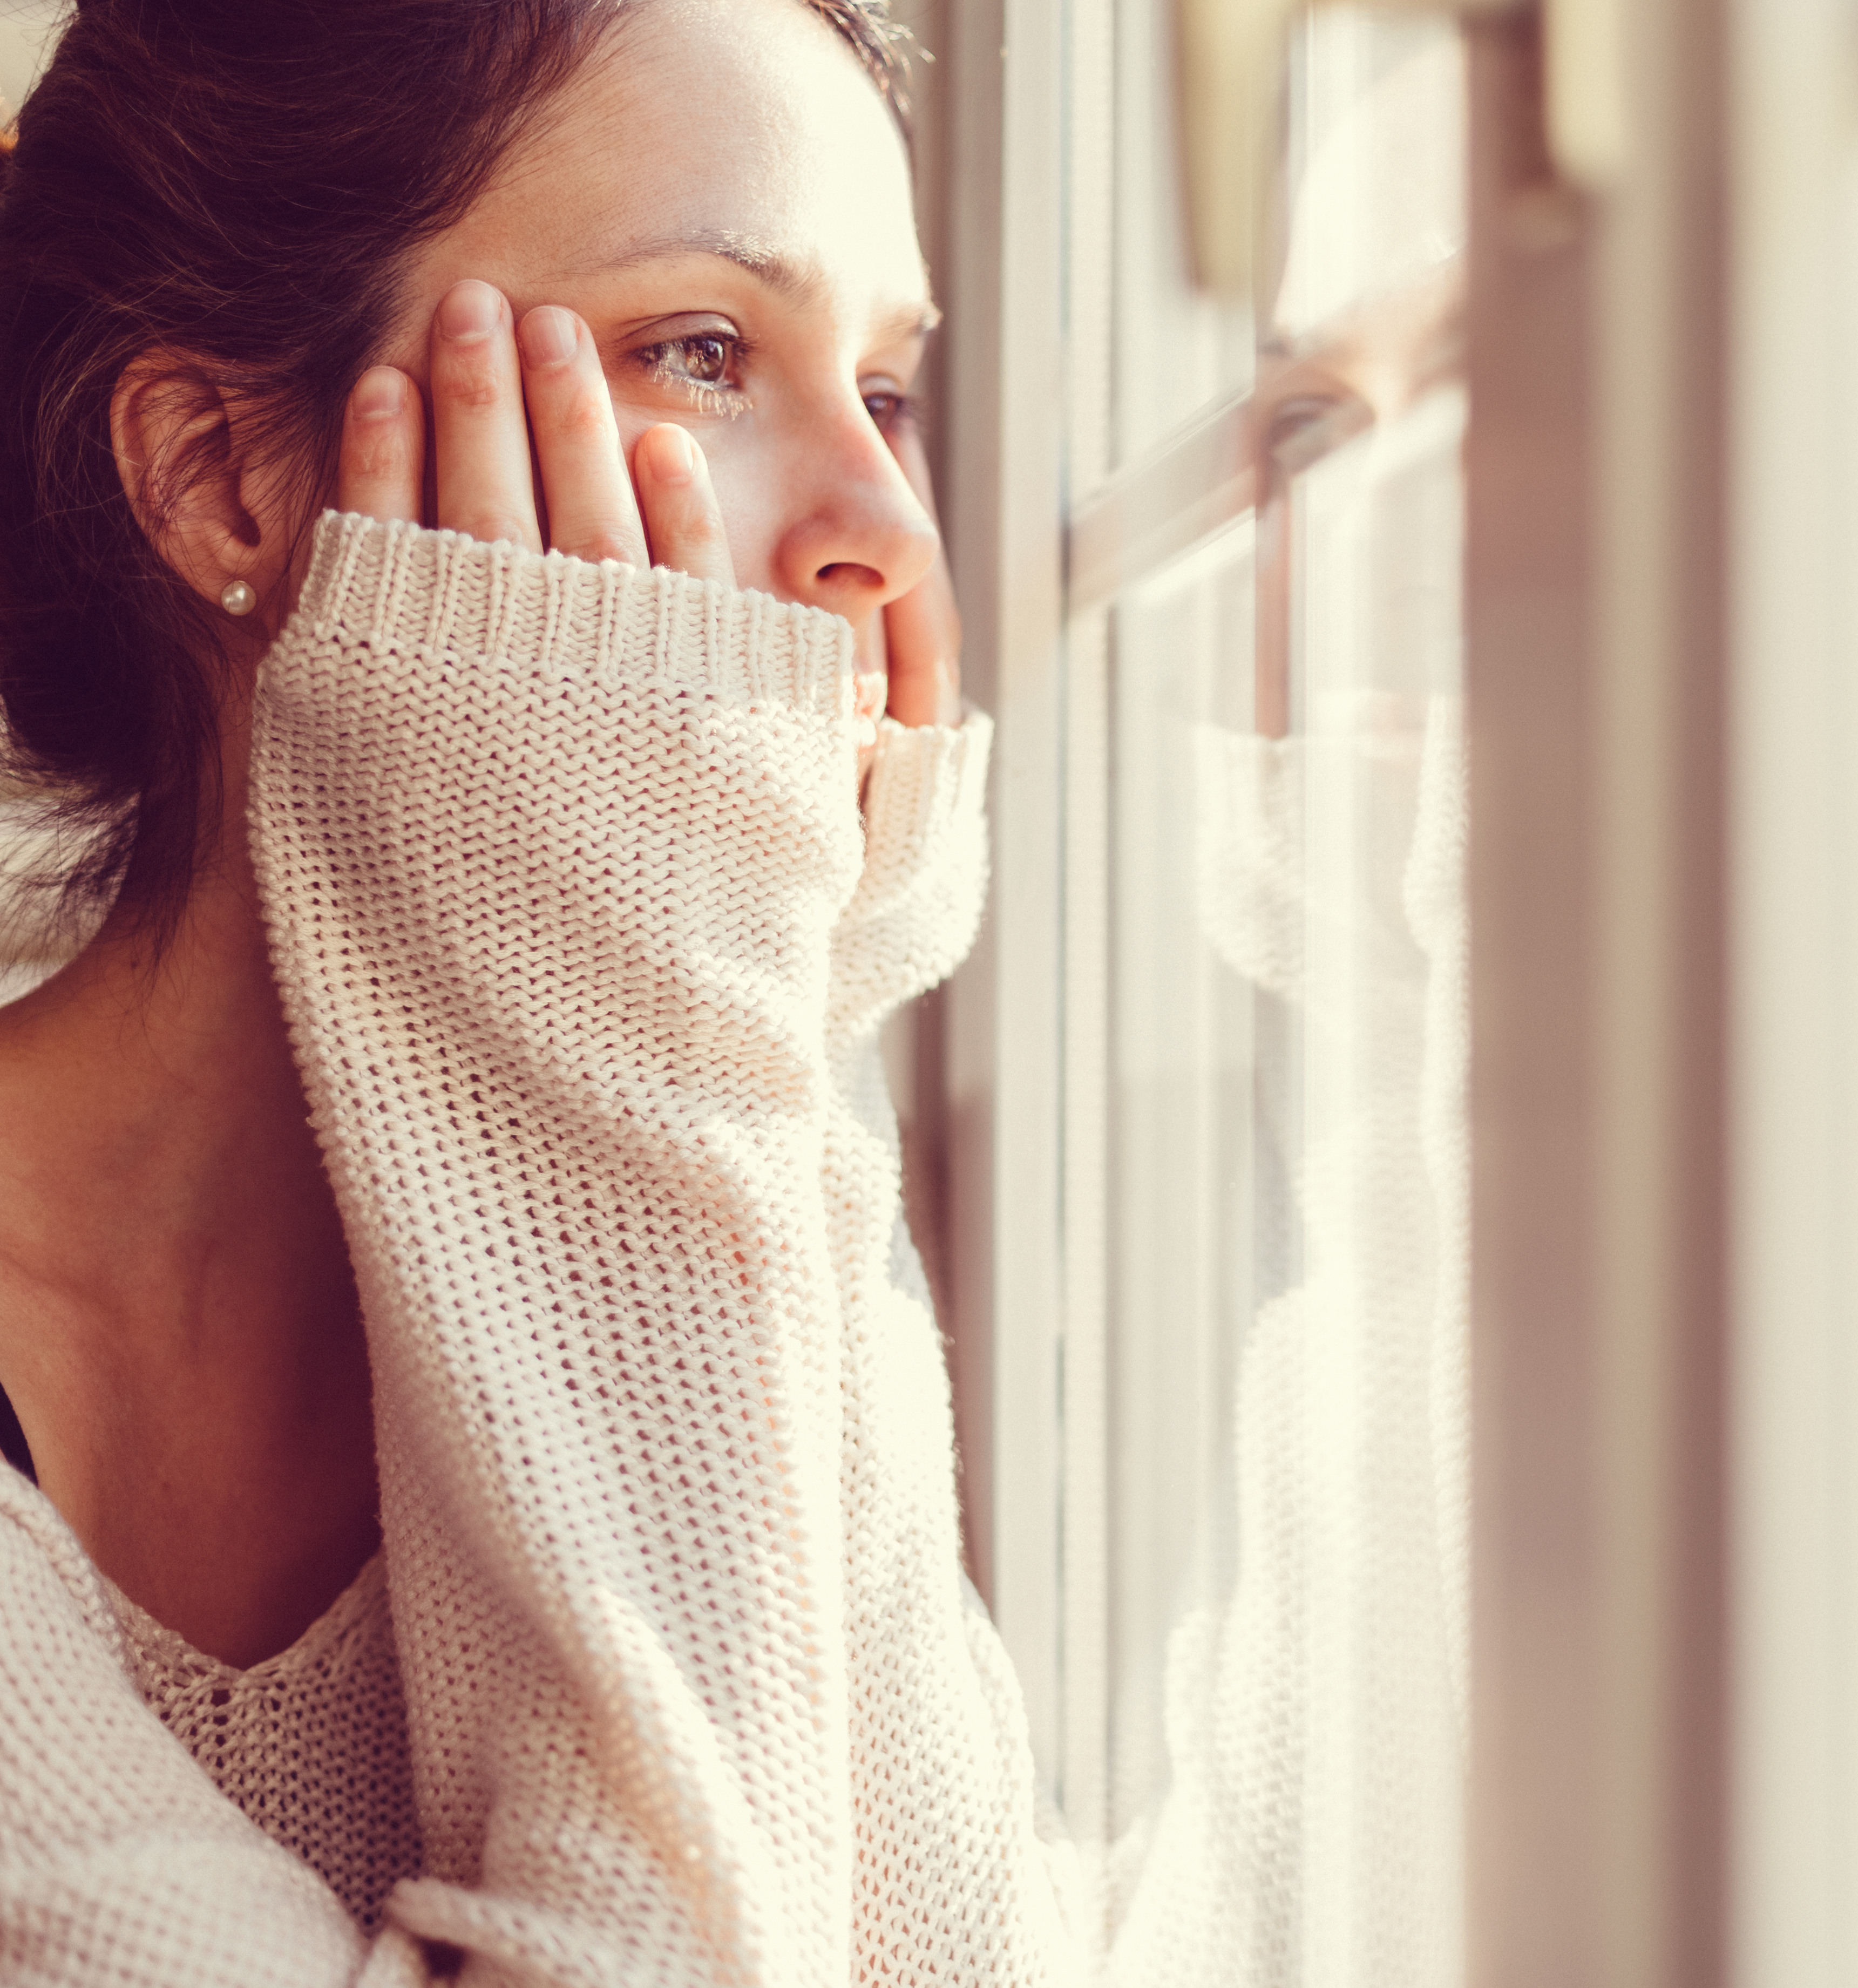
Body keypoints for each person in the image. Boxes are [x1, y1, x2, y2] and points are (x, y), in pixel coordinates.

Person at [0, 2, 1066, 1979]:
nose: (887, 534)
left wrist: (751, 1035)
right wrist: (653, 1030)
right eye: (703, 353)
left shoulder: (714, 1183)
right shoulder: (648, 1148)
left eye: (891, 390)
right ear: (225, 480)